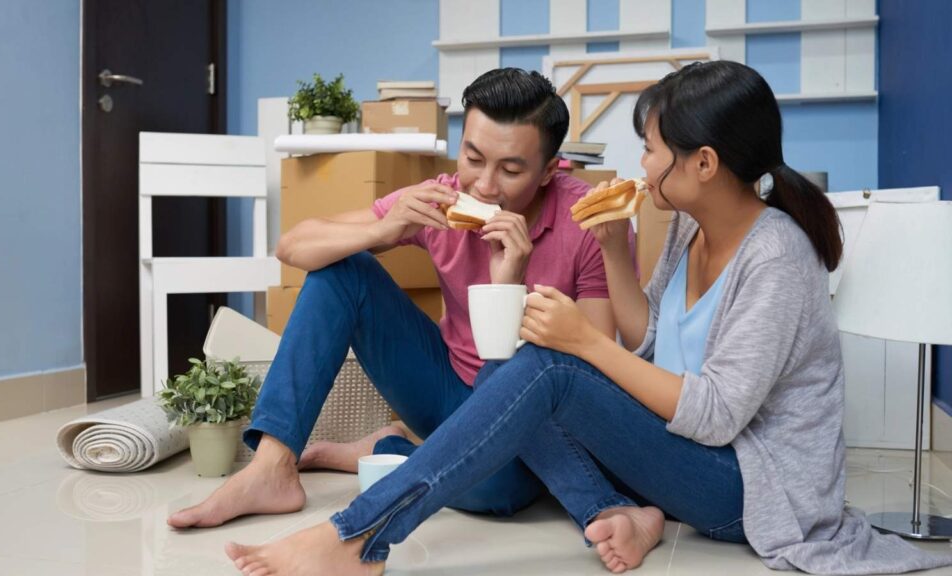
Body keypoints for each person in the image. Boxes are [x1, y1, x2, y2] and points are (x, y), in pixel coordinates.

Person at [222, 61, 952, 575]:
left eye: (652, 147)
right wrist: (614, 259)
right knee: (536, 358)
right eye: (473, 157)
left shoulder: (778, 257)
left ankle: (360, 534)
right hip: (668, 451)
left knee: (545, 363)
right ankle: (300, 469)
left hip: (746, 489)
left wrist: (575, 337)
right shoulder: (695, 232)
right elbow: (653, 345)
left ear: (702, 163)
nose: (640, 163)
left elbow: (717, 413)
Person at [167, 67, 635, 529]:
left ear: (551, 171)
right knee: (343, 270)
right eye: (472, 158)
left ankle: (386, 449)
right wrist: (383, 230)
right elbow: (292, 246)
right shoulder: (439, 199)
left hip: (535, 424)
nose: (485, 186)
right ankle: (272, 467)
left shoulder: (589, 224)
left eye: (511, 169)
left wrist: (508, 282)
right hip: (448, 390)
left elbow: (592, 366)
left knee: (501, 491)